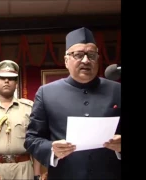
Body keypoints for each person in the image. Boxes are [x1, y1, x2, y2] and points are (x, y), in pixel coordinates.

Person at [24, 27, 121, 179]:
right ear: (66, 60)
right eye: (78, 55)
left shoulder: (117, 90)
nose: (86, 60)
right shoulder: (47, 93)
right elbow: (32, 139)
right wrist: (51, 149)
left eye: (92, 55)